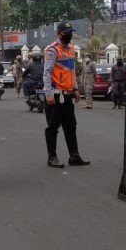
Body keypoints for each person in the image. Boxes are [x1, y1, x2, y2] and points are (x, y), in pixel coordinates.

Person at [43, 21, 90, 169]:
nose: (69, 36)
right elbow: (47, 72)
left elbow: (71, 70)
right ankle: (52, 157)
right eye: (65, 33)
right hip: (56, 94)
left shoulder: (70, 48)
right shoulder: (52, 50)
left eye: (70, 33)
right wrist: (48, 93)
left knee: (71, 126)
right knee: (53, 127)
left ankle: (74, 156)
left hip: (67, 94)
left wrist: (76, 88)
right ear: (58, 34)